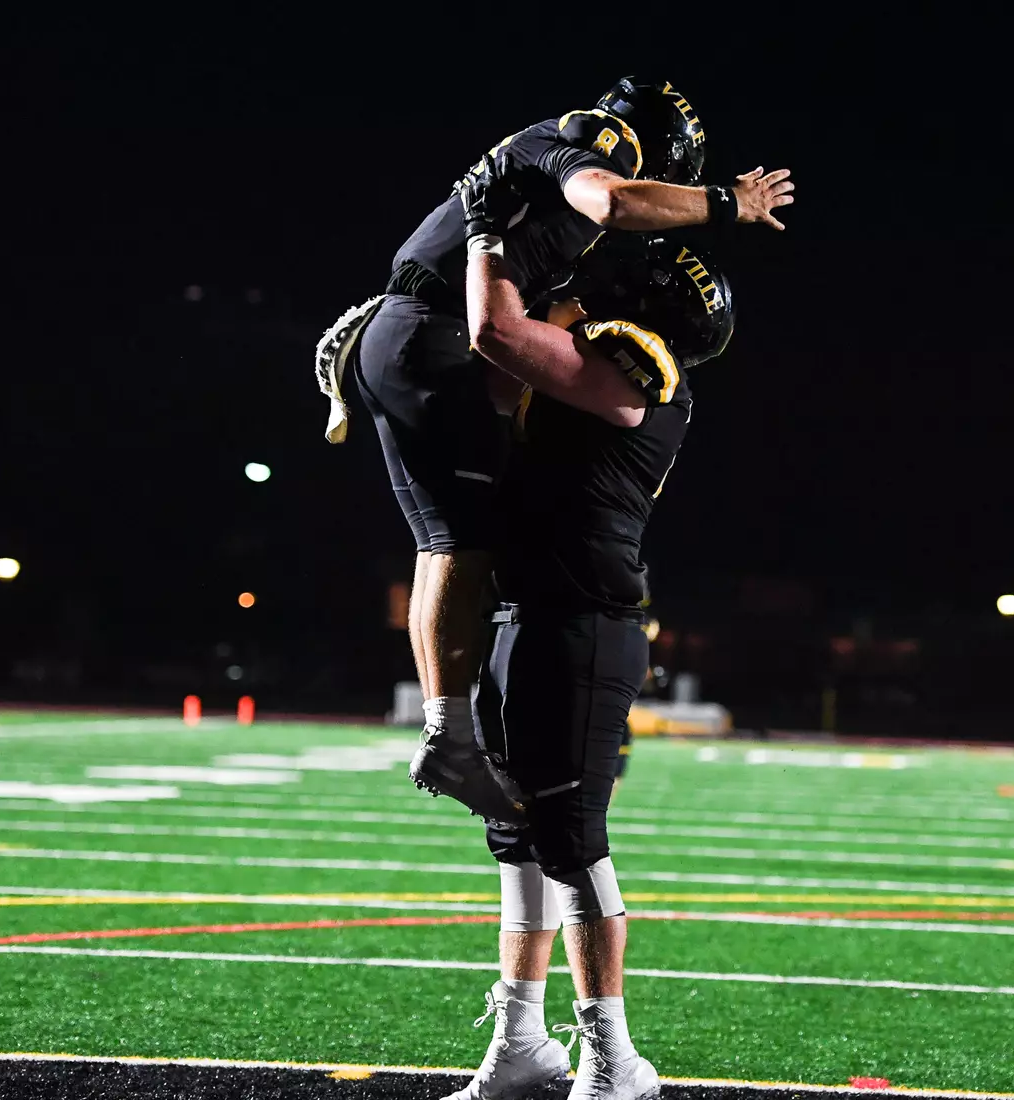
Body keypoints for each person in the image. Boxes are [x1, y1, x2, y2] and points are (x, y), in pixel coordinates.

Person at [320, 76, 792, 825]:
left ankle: (452, 727)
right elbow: (613, 201)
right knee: (461, 543)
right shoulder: (599, 141)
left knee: (447, 541)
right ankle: (450, 735)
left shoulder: (546, 185)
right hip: (433, 336)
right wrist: (727, 203)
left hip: (419, 333)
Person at [440, 232, 735, 1100]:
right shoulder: (592, 351)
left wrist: (490, 241)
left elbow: (499, 336)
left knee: (571, 840)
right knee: (517, 838)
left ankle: (612, 1057)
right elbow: (491, 381)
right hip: (521, 613)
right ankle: (522, 1043)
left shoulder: (642, 358)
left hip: (582, 623)